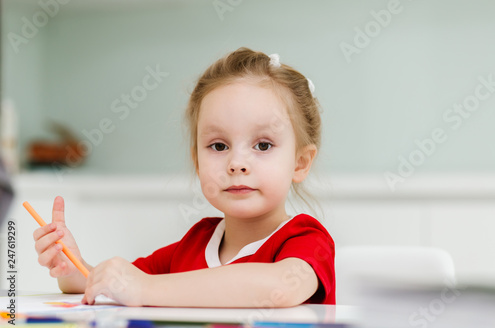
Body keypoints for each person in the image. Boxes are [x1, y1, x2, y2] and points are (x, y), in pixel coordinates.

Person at [33, 47, 335, 307]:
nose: (236, 163)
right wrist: (74, 267)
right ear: (197, 160)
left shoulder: (306, 240)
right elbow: (115, 286)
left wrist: (145, 288)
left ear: (300, 163)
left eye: (263, 145)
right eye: (219, 146)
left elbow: (281, 287)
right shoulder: (192, 245)